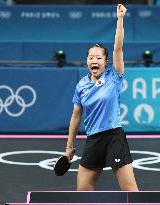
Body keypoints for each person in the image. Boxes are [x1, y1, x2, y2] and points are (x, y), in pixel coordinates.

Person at [64, 4, 138, 192]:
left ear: (106, 61)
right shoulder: (81, 85)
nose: (94, 61)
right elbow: (76, 116)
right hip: (93, 138)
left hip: (114, 136)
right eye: (90, 57)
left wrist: (120, 19)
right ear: (87, 60)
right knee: (82, 192)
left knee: (131, 192)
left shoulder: (114, 76)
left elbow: (118, 48)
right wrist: (69, 146)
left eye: (98, 58)